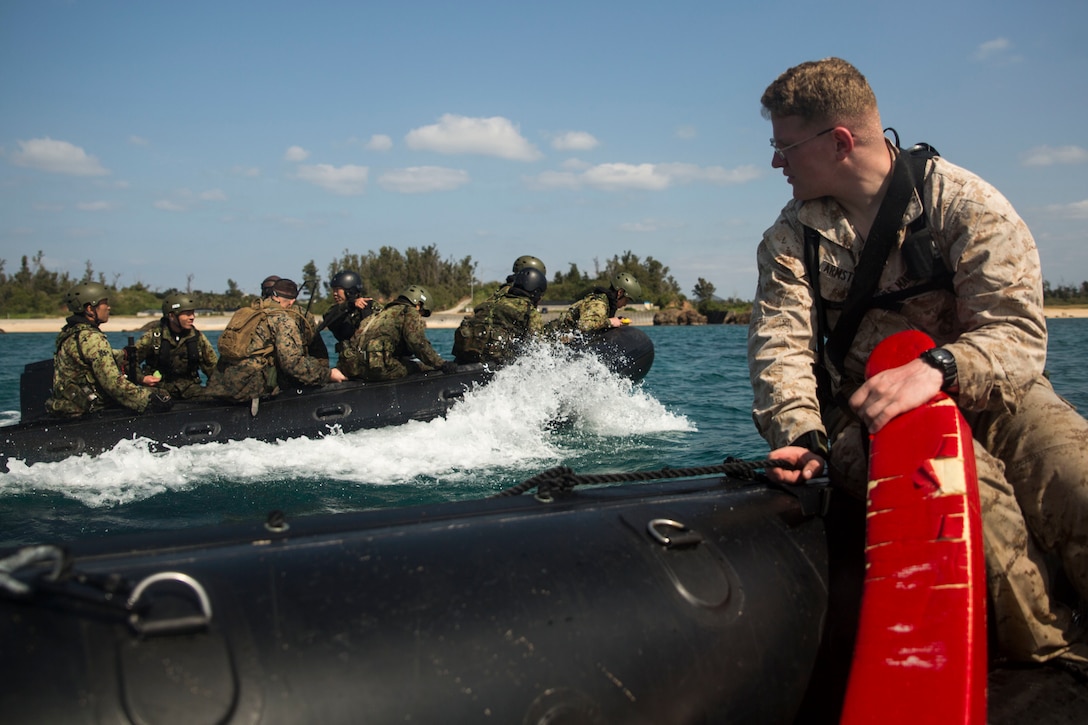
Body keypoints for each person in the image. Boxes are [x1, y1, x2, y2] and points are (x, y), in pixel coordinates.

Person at [747, 57, 1088, 668]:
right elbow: (782, 348)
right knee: (971, 506)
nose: (777, 162)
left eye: (785, 146)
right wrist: (802, 434)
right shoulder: (790, 239)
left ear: (840, 142)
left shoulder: (965, 203)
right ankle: (1052, 662)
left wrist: (937, 369)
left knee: (1075, 478)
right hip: (871, 417)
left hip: (990, 394)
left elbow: (1015, 335)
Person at [206, 278, 346, 402]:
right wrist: (327, 374)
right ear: (292, 301)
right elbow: (293, 363)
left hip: (222, 385)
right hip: (248, 390)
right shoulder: (283, 320)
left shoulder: (246, 313)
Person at [45, 282, 172, 417]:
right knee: (161, 395)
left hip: (67, 403)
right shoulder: (93, 339)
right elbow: (113, 384)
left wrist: (123, 355)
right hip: (88, 407)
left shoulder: (70, 334)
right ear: (89, 309)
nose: (109, 307)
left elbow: (92, 357)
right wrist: (148, 399)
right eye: (104, 303)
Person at [336, 284, 456, 381]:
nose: (420, 317)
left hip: (354, 368)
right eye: (422, 313)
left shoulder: (380, 313)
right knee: (422, 366)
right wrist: (441, 364)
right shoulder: (409, 311)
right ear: (418, 305)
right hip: (377, 368)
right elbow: (417, 342)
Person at [453, 266, 547, 364]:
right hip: (497, 364)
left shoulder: (489, 303)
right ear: (536, 292)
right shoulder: (529, 312)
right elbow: (538, 346)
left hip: (464, 359)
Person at [133, 293, 218, 400]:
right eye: (187, 314)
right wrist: (142, 378)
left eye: (192, 313)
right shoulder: (154, 337)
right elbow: (128, 362)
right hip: (159, 389)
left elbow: (213, 367)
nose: (192, 317)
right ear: (172, 316)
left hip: (190, 389)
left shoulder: (197, 337)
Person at [547, 272, 641, 335]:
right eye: (626, 300)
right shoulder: (599, 304)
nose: (625, 305)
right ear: (620, 293)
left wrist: (616, 321)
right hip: (552, 338)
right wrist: (610, 322)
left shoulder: (605, 303)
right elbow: (584, 325)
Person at [319, 270, 378, 348]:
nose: (334, 294)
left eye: (337, 290)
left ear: (350, 290)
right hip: (347, 358)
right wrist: (351, 304)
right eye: (333, 290)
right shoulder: (336, 312)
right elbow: (329, 318)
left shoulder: (371, 307)